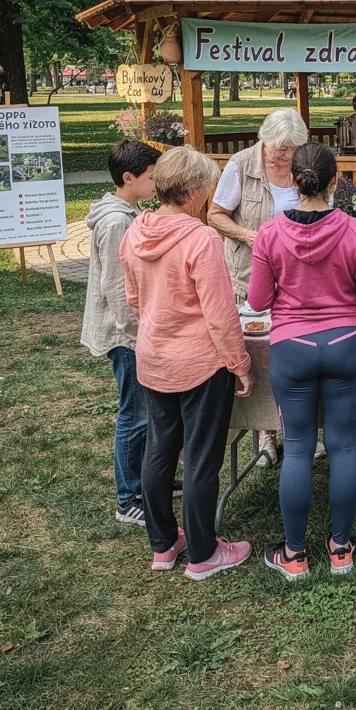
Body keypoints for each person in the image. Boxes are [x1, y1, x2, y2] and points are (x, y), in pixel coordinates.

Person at [247, 144, 356, 579]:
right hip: (346, 342)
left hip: (292, 348)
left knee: (298, 451)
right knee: (343, 444)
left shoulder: (269, 234)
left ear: (291, 179)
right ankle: (341, 548)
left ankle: (294, 556)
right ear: (334, 181)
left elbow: (256, 300)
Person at [120, 146, 254, 581]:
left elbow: (135, 299)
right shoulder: (200, 239)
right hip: (200, 363)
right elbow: (220, 312)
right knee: (201, 458)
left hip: (154, 356)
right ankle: (202, 552)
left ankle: (163, 545)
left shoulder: (136, 230)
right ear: (195, 192)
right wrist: (239, 362)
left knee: (159, 451)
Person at [208, 107, 309, 468]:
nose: (284, 156)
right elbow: (215, 214)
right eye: (278, 148)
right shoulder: (240, 165)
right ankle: (266, 433)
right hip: (251, 272)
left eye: (291, 149)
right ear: (263, 139)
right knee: (261, 353)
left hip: (298, 274)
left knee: (297, 348)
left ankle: (304, 429)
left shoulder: (302, 163)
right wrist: (251, 236)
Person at [80, 140, 162, 525]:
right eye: (150, 177)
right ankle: (128, 497)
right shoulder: (115, 223)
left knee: (145, 413)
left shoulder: (129, 211)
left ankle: (147, 482)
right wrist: (138, 333)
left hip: (134, 331)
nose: (156, 182)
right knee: (135, 415)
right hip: (125, 334)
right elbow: (116, 288)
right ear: (128, 178)